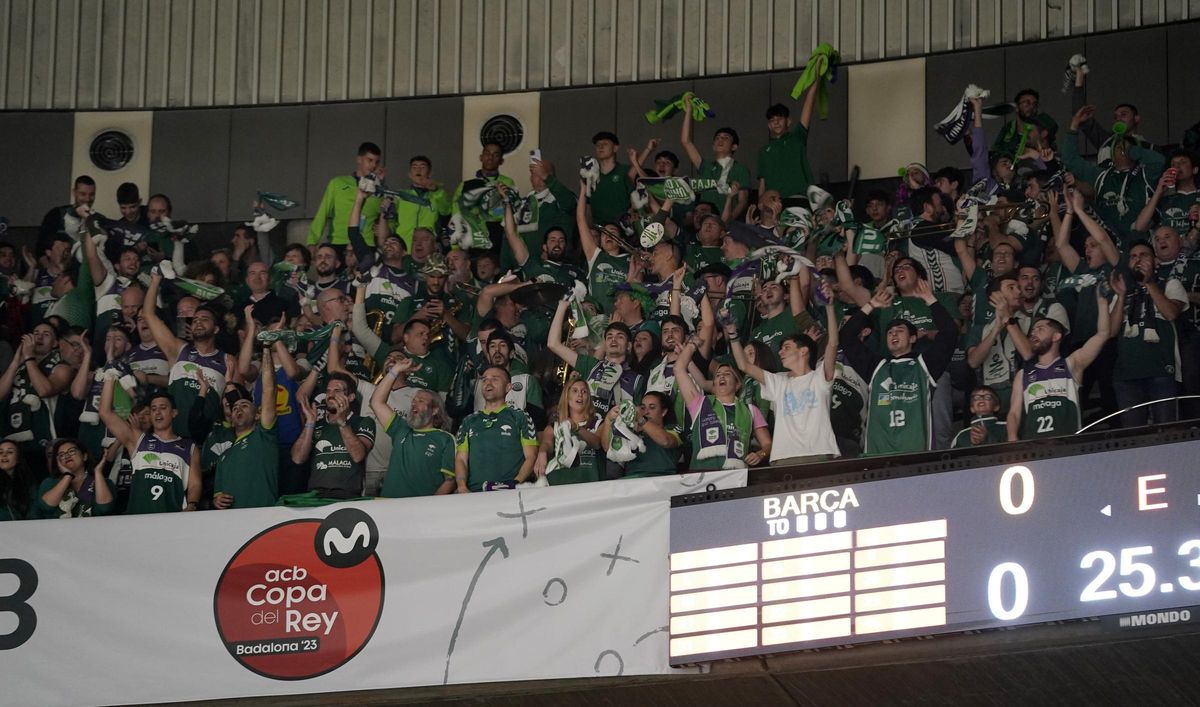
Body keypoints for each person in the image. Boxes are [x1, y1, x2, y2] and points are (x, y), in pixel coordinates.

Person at [840, 279, 957, 456]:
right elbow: (847, 336)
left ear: (913, 338)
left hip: (917, 457)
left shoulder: (925, 365)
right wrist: (871, 305)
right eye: (890, 332)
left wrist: (929, 299)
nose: (893, 333)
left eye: (900, 330)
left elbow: (949, 332)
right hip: (876, 458)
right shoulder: (876, 367)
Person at [729, 283, 840, 464]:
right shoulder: (778, 382)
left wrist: (829, 307)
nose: (780, 352)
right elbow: (743, 365)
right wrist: (732, 334)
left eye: (786, 348)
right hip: (783, 458)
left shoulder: (819, 377)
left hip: (819, 454)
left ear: (803, 351)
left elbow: (833, 344)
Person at [144, 269, 237, 439]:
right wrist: (156, 280)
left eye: (204, 319)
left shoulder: (227, 360)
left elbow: (236, 403)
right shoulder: (178, 349)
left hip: (206, 441)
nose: (198, 323)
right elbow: (149, 315)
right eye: (195, 320)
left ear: (216, 329)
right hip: (173, 439)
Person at [1008, 288, 1112, 439]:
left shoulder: (1072, 364)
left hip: (1068, 446)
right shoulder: (1023, 374)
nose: (1034, 333)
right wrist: (1012, 440)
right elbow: (1014, 413)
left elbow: (1103, 334)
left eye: (1040, 329)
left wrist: (1102, 302)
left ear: (1056, 336)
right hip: (1033, 447)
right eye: (1033, 330)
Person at [100, 380, 201, 513]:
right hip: (138, 519)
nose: (157, 412)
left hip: (173, 519)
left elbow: (195, 484)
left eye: (163, 408)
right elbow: (105, 413)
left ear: (174, 413)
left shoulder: (189, 447)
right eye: (153, 409)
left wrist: (191, 505)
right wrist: (109, 376)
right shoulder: (138, 439)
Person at [675, 336, 771, 470]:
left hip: (735, 477)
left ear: (737, 385)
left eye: (727, 374)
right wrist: (691, 346)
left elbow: (767, 444)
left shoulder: (751, 410)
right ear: (713, 385)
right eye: (718, 374)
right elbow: (679, 369)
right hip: (701, 476)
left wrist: (761, 454)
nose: (721, 376)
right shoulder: (699, 403)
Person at [371, 358, 456, 498]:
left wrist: (429, 507)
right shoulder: (401, 429)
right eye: (413, 401)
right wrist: (395, 370)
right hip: (387, 506)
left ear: (435, 410)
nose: (414, 404)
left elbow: (450, 480)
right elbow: (376, 402)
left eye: (421, 401)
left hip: (419, 512)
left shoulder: (445, 439)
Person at [212, 343, 279, 510]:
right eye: (234, 408)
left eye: (244, 405)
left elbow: (269, 390)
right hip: (234, 525)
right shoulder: (223, 457)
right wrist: (217, 500)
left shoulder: (264, 437)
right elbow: (218, 495)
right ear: (231, 418)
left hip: (264, 518)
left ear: (257, 415)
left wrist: (266, 349)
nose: (238, 409)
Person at [454, 365, 538, 492]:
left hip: (511, 493)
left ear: (508, 387)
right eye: (484, 379)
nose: (488, 383)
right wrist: (461, 487)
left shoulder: (520, 416)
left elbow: (531, 456)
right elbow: (461, 459)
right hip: (474, 494)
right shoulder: (468, 421)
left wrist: (515, 483)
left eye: (495, 379)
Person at [292, 371, 375, 498]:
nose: (331, 395)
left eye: (337, 390)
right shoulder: (316, 424)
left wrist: (342, 422)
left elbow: (358, 456)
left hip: (348, 495)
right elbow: (297, 458)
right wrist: (309, 423)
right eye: (328, 390)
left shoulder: (364, 421)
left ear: (351, 397)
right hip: (315, 495)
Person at [308, 141, 383, 254]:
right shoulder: (338, 182)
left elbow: (389, 216)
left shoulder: (380, 189)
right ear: (359, 159)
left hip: (366, 243)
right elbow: (322, 212)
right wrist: (312, 241)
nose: (373, 165)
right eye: (370, 160)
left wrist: (382, 229)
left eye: (377, 162)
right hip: (338, 242)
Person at [534, 374, 604, 485]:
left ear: (588, 398)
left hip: (590, 484)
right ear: (567, 396)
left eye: (584, 391)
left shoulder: (598, 423)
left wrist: (575, 427)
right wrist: (542, 452)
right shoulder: (554, 427)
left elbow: (597, 443)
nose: (580, 394)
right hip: (560, 485)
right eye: (575, 391)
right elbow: (547, 443)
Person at [757, 80, 819, 198]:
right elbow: (762, 183)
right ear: (769, 125)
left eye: (780, 118)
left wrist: (816, 79)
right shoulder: (763, 151)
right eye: (772, 120)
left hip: (800, 197)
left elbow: (808, 107)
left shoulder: (797, 138)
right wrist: (761, 204)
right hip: (776, 204)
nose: (776, 123)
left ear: (788, 121)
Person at [600, 391, 682, 478]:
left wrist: (640, 419)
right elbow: (607, 448)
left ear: (664, 412)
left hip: (662, 481)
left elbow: (666, 441)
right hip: (632, 482)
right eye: (643, 408)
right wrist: (608, 419)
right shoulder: (632, 431)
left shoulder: (672, 428)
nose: (646, 412)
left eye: (652, 407)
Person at [35, 438, 115, 518]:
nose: (67, 455)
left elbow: (105, 508)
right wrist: (68, 476)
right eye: (61, 455)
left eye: (71, 451)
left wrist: (97, 471)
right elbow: (46, 507)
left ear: (84, 456)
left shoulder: (104, 483)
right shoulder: (50, 483)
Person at [0, 440, 36, 521]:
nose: (4, 455)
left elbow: (34, 512)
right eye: (0, 452)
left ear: (18, 458)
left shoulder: (28, 483)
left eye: (9, 452)